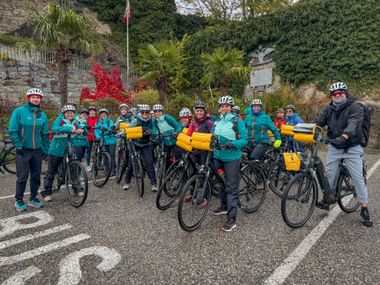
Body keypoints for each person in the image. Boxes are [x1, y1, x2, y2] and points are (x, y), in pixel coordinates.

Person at [314, 81, 373, 227]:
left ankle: (364, 208)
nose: (337, 96)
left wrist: (345, 136)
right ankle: (328, 199)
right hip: (335, 146)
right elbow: (319, 122)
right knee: (330, 175)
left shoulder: (355, 107)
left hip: (351, 147)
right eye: (334, 94)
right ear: (331, 96)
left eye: (340, 93)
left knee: (358, 178)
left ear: (345, 93)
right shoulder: (329, 109)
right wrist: (312, 129)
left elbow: (354, 123)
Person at [8, 88, 49, 211]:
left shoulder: (42, 115)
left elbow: (45, 134)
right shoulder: (19, 111)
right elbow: (13, 130)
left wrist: (46, 150)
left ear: (40, 99)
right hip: (23, 150)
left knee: (36, 176)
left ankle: (33, 198)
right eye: (33, 97)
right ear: (29, 98)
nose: (36, 99)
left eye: (38, 97)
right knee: (22, 176)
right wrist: (18, 145)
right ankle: (19, 200)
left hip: (37, 150)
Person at [212, 96, 248, 232]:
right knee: (221, 182)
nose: (224, 108)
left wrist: (232, 143)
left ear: (231, 107)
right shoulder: (217, 121)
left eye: (227, 105)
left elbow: (244, 140)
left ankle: (232, 219)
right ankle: (224, 206)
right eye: (222, 105)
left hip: (232, 158)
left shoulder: (237, 121)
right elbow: (212, 136)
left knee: (231, 187)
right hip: (217, 156)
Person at [42, 103, 85, 202]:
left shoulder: (75, 121)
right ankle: (47, 192)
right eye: (68, 113)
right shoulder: (60, 120)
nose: (70, 114)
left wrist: (83, 130)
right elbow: (55, 128)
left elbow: (80, 128)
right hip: (56, 149)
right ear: (64, 113)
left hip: (69, 147)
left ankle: (77, 189)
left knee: (74, 168)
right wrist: (69, 128)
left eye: (72, 113)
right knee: (51, 171)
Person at [123, 104, 157, 192]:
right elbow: (127, 129)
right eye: (143, 112)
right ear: (140, 113)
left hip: (146, 144)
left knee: (149, 163)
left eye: (147, 112)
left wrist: (151, 132)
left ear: (149, 113)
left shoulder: (152, 121)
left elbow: (155, 130)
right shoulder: (135, 120)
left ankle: (154, 184)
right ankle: (127, 182)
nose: (145, 114)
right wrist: (120, 134)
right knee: (131, 163)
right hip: (135, 143)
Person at [95, 108, 117, 176]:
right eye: (102, 114)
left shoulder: (109, 121)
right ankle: (107, 169)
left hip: (111, 140)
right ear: (100, 115)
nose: (103, 115)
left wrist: (108, 129)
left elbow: (112, 127)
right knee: (105, 155)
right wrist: (98, 137)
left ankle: (113, 169)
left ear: (107, 115)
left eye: (104, 114)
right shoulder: (98, 122)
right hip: (103, 140)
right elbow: (96, 130)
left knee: (112, 155)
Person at [86, 105, 98, 171]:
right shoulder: (87, 118)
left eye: (94, 111)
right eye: (91, 111)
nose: (92, 112)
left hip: (96, 136)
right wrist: (87, 126)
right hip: (89, 136)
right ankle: (88, 165)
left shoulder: (98, 118)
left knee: (97, 150)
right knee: (89, 151)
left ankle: (97, 163)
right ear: (89, 112)